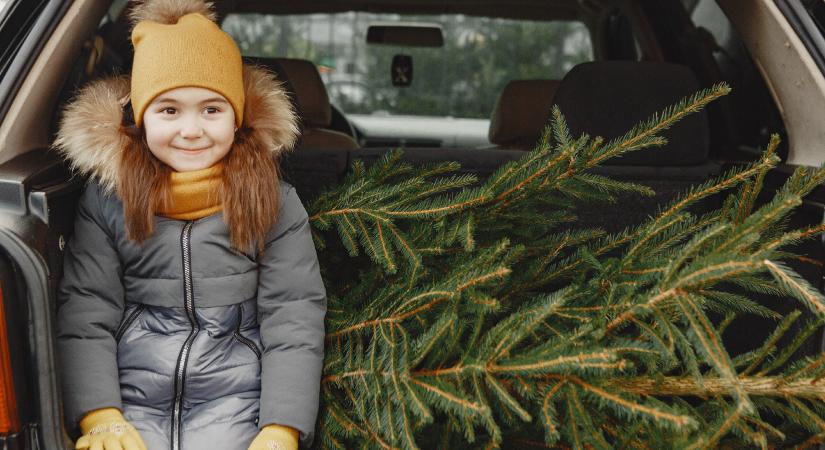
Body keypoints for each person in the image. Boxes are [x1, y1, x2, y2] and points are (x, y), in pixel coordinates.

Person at [53, 1, 327, 449]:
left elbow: (293, 315)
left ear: (237, 115)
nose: (192, 130)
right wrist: (100, 415)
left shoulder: (272, 199)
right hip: (130, 394)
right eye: (169, 110)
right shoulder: (108, 198)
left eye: (211, 110)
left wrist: (281, 428)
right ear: (139, 117)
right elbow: (87, 312)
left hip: (238, 396)